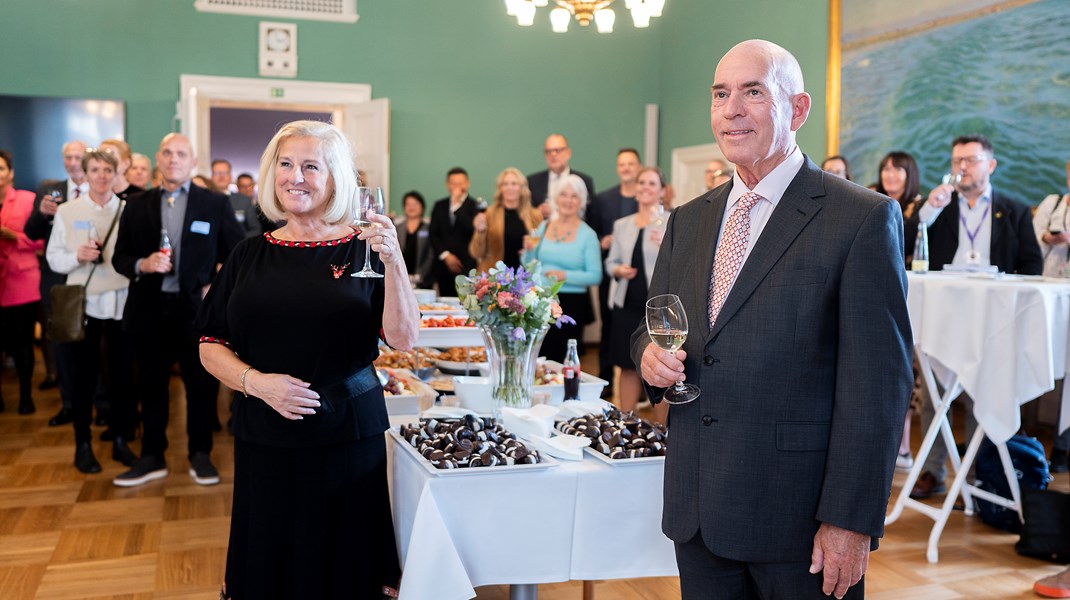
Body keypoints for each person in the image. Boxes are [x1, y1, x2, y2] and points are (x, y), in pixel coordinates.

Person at [632, 40, 912, 599]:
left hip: (799, 523)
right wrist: (647, 354)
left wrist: (851, 520)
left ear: (798, 109)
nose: (731, 109)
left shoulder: (860, 218)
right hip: (699, 510)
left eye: (753, 92)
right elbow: (653, 322)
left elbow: (878, 386)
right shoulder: (687, 220)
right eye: (720, 94)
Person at [196, 120, 418, 599]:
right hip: (264, 433)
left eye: (311, 166)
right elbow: (209, 343)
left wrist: (394, 261)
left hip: (347, 436)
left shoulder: (366, 248)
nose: (295, 176)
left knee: (344, 567)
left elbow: (402, 338)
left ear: (335, 178)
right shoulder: (247, 254)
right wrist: (257, 383)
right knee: (271, 565)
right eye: (286, 164)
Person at [904, 134, 1044, 499]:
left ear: (990, 165)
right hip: (946, 319)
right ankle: (933, 472)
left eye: (970, 159)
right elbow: (903, 245)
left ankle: (983, 476)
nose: (962, 167)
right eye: (956, 161)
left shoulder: (1013, 209)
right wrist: (925, 213)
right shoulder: (940, 207)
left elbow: (1032, 265)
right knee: (937, 395)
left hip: (993, 321)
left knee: (985, 391)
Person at [111, 132, 245, 488]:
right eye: (167, 153)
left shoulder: (214, 203)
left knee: (200, 386)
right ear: (159, 157)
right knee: (151, 385)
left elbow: (237, 254)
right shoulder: (137, 205)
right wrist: (142, 263)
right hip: (149, 311)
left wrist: (214, 283)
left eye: (181, 154)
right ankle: (152, 456)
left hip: (195, 312)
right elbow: (120, 257)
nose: (173, 159)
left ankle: (200, 455)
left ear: (193, 162)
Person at [45, 148, 137, 472]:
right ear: (84, 173)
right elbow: (53, 257)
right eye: (94, 169)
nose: (101, 176)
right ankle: (82, 443)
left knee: (123, 378)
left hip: (123, 302)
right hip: (85, 303)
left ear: (115, 174)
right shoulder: (68, 211)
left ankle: (121, 440)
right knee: (83, 378)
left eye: (107, 170)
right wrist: (77, 256)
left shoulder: (129, 210)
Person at [25, 140, 87, 422]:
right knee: (62, 344)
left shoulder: (98, 192)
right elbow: (31, 232)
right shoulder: (50, 191)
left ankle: (101, 405)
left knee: (95, 344)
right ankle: (69, 404)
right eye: (68, 157)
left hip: (90, 278)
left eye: (78, 156)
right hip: (58, 280)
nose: (73, 162)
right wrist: (42, 213)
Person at [605, 166, 668, 423]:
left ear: (662, 191)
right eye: (642, 182)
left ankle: (664, 431)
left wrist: (666, 244)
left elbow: (686, 262)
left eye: (652, 183)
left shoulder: (674, 221)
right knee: (627, 364)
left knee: (660, 369)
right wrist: (618, 268)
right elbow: (610, 262)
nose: (645, 187)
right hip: (627, 302)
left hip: (658, 306)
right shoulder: (622, 225)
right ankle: (626, 423)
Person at [874, 150, 923, 472]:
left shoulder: (922, 208)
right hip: (877, 293)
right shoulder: (868, 198)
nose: (891, 176)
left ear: (910, 174)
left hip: (915, 297)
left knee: (908, 371)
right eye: (886, 170)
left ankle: (904, 446)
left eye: (898, 170)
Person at [523, 173, 601, 361]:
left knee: (563, 360)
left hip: (572, 305)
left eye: (574, 196)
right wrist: (528, 252)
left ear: (581, 201)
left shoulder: (588, 235)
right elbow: (529, 266)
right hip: (541, 301)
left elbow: (595, 275)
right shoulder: (544, 226)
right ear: (556, 198)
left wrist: (563, 275)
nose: (568, 200)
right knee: (538, 356)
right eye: (563, 195)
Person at [587, 148, 641, 395]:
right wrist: (602, 241)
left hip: (643, 275)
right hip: (613, 272)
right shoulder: (603, 199)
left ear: (638, 166)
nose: (626, 168)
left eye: (631, 164)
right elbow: (592, 232)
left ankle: (643, 382)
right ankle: (606, 376)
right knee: (609, 327)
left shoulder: (646, 197)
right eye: (622, 164)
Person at [1031, 159, 1070, 473]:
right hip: (1047, 290)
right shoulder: (1051, 203)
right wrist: (1047, 239)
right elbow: (1030, 243)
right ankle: (1022, 435)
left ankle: (1062, 447)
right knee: (1035, 357)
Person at [0, 149, 44, 415]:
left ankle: (25, 395)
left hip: (22, 281)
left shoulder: (28, 200)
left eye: (1, 168)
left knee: (22, 341)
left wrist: (11, 235)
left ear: (10, 172)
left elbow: (40, 241)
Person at [469, 167, 542, 273]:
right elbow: (476, 253)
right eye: (505, 184)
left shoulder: (535, 215)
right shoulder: (489, 214)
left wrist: (530, 252)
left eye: (514, 184)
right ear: (500, 188)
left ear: (522, 187)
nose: (509, 188)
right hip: (494, 280)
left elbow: (542, 251)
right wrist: (480, 232)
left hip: (526, 281)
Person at [428, 167, 478, 296]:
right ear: (447, 184)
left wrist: (457, 207)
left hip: (467, 264)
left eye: (460, 183)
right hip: (443, 265)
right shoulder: (440, 205)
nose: (457, 187)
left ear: (467, 184)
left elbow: (472, 230)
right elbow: (433, 233)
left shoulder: (475, 206)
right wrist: (445, 255)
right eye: (453, 183)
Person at [527, 134, 595, 219]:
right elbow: (525, 214)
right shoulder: (532, 181)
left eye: (557, 150)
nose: (553, 154)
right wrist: (536, 212)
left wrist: (554, 211)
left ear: (568, 153)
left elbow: (590, 216)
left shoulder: (583, 181)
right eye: (548, 151)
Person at [213, 159, 261, 238]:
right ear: (211, 176)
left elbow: (256, 229)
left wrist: (237, 240)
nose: (221, 176)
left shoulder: (244, 200)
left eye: (225, 173)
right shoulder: (202, 200)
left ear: (230, 176)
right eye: (217, 173)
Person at [394, 190, 433, 287]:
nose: (411, 207)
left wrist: (419, 276)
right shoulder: (396, 228)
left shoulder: (429, 228)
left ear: (422, 207)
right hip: (399, 278)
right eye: (408, 204)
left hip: (423, 280)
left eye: (415, 204)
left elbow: (430, 255)